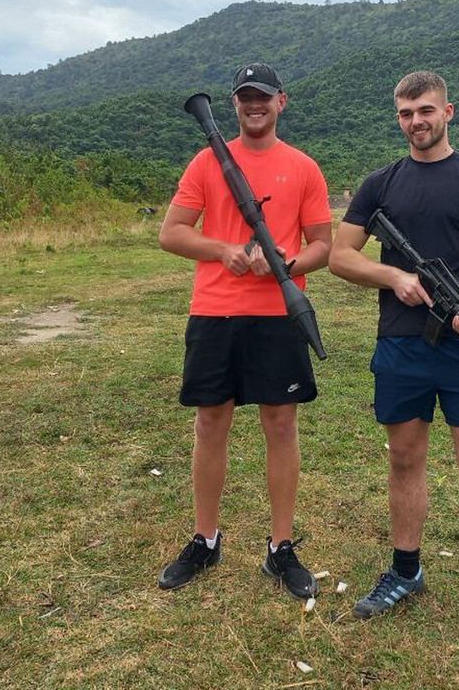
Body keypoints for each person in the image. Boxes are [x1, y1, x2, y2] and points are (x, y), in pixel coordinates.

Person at [328, 70, 459, 650]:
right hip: (400, 344)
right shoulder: (380, 184)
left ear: (448, 112)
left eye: (426, 110)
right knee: (404, 457)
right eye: (406, 113)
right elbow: (341, 256)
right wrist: (394, 276)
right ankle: (406, 571)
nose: (416, 121)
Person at [157, 62, 332, 600]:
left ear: (282, 102)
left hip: (279, 312)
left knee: (281, 425)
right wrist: (225, 251)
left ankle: (281, 548)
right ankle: (205, 539)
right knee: (211, 423)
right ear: (234, 105)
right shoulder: (207, 163)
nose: (254, 105)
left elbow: (323, 246)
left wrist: (289, 262)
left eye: (264, 96)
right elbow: (172, 234)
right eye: (244, 97)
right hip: (215, 310)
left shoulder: (303, 168)